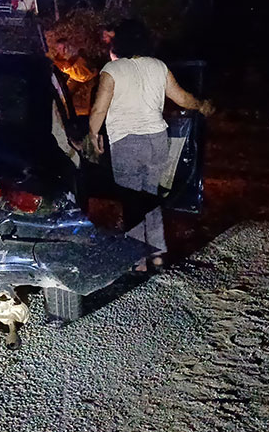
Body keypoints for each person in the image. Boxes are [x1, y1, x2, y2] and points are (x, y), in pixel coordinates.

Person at [86, 20, 213, 271]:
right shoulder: (159, 66)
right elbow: (182, 98)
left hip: (127, 142)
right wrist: (201, 105)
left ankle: (138, 259)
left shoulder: (113, 69)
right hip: (157, 141)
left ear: (119, 42)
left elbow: (100, 108)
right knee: (150, 197)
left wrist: (92, 134)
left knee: (132, 200)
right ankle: (157, 253)